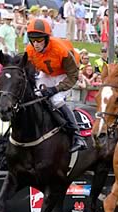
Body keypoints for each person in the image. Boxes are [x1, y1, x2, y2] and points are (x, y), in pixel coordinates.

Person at [26, 18, 87, 152]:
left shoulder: (61, 50)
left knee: (55, 99)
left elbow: (73, 76)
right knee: (36, 95)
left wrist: (55, 89)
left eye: (39, 40)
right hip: (47, 73)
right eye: (33, 40)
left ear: (47, 38)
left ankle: (77, 135)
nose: (36, 44)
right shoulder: (30, 50)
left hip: (66, 74)